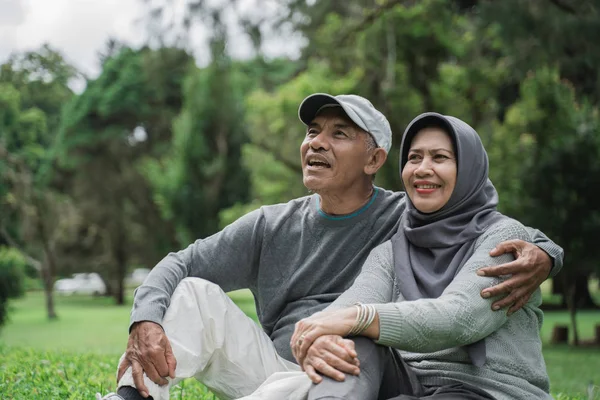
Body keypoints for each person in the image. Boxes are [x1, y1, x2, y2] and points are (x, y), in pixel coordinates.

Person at [97, 94, 562, 400]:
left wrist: (545, 254)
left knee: (356, 344)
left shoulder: (408, 217)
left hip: (347, 372)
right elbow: (181, 263)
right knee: (194, 292)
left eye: (338, 133)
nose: (316, 143)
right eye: (312, 131)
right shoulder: (270, 224)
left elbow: (485, 227)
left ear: (375, 159)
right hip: (282, 365)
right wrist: (146, 317)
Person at [288, 112, 553, 399]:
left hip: (486, 390)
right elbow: (350, 304)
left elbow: (459, 318)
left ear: (469, 169)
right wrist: (317, 334)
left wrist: (357, 317)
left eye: (439, 158)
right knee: (349, 344)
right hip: (409, 382)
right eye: (414, 158)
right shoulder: (392, 250)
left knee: (354, 326)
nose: (422, 169)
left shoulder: (504, 239)